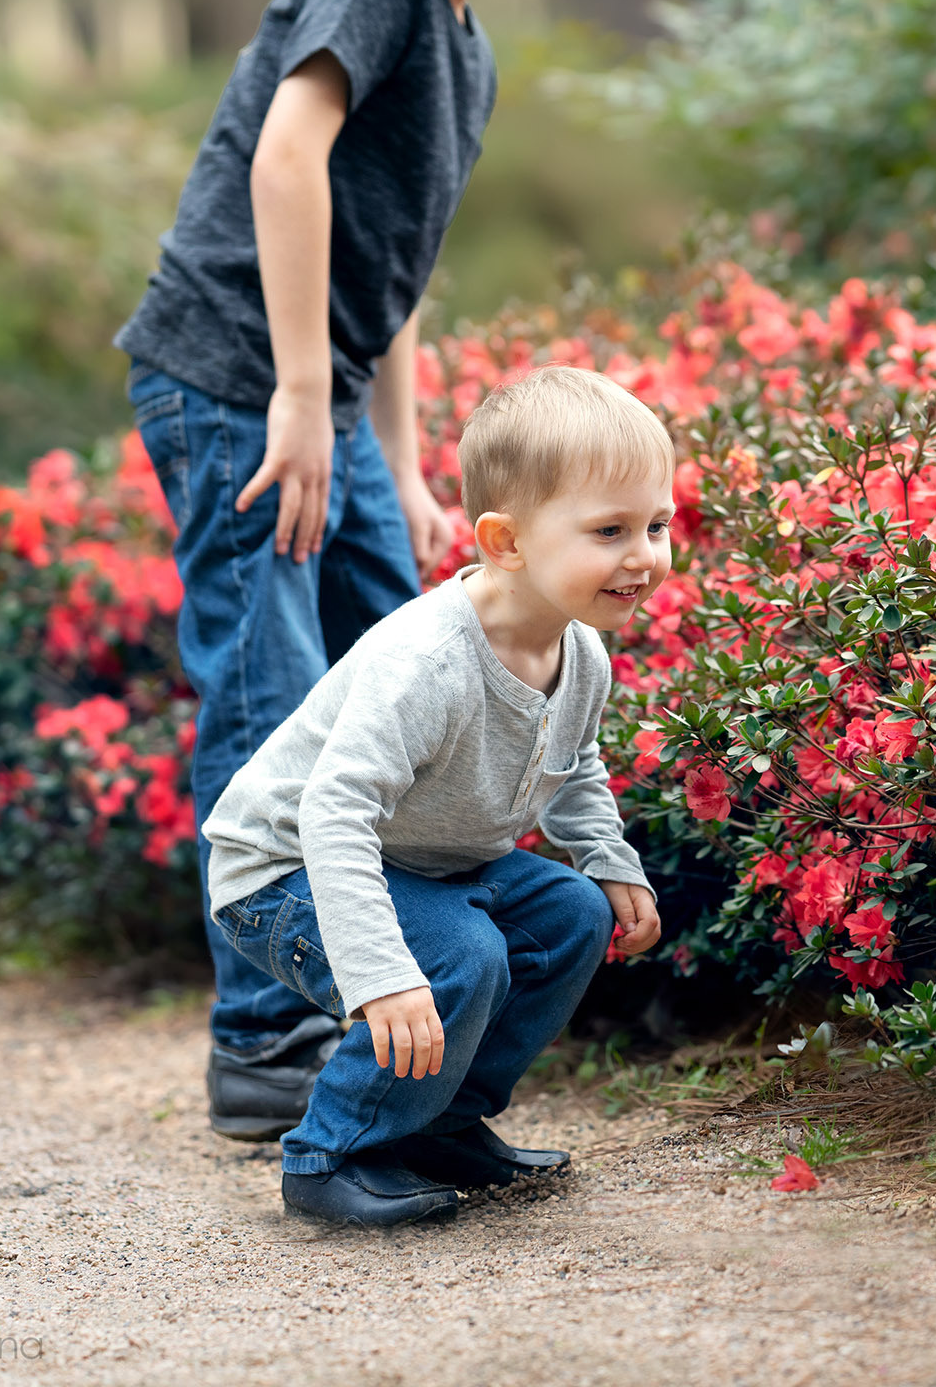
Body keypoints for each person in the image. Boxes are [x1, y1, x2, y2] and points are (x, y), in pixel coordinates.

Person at [115, 0, 620, 1140]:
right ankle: (265, 1041)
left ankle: (402, 974)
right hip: (233, 379)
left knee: (396, 659)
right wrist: (291, 394)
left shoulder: (469, 55)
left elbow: (388, 268)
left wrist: (396, 453)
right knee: (271, 690)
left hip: (319, 391)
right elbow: (288, 156)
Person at [202, 366, 668, 1227]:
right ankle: (331, 1154)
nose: (642, 554)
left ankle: (439, 1123)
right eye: (610, 530)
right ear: (506, 542)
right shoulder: (428, 663)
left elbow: (578, 761)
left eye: (656, 524)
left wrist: (610, 863)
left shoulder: (580, 652)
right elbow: (333, 814)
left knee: (569, 917)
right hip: (283, 868)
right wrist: (382, 973)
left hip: (421, 861)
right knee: (459, 956)